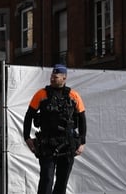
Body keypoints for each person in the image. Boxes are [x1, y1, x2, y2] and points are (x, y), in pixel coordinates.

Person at [23, 64, 87, 194]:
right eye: (51, 76)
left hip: (67, 144)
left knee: (62, 182)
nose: (52, 79)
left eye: (56, 77)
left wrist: (82, 141)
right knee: (46, 179)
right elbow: (29, 116)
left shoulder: (74, 95)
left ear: (64, 78)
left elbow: (82, 119)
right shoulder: (41, 94)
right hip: (47, 144)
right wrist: (27, 138)